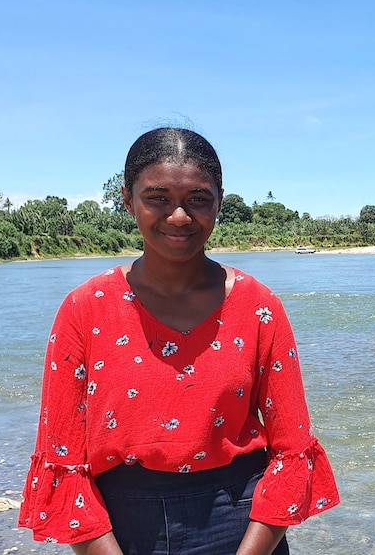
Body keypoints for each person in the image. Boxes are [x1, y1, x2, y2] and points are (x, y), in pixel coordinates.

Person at [18, 127, 340, 555]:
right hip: (120, 528)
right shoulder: (86, 309)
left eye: (198, 199)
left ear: (219, 202)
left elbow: (291, 447)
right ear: (128, 198)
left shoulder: (259, 306)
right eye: (158, 198)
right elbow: (63, 455)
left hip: (241, 525)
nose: (179, 217)